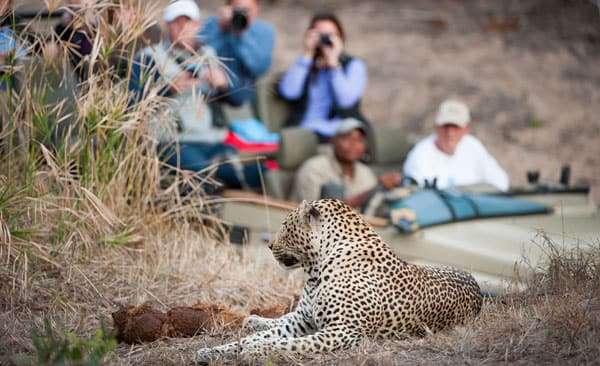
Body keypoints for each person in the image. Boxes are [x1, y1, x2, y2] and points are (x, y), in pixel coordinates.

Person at [128, 0, 264, 190]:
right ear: (167, 26)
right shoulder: (148, 57)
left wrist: (225, 84)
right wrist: (167, 89)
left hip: (212, 140)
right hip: (174, 142)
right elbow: (132, 107)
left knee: (259, 174)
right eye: (177, 22)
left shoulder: (208, 55)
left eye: (189, 22)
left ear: (198, 26)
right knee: (202, 176)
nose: (183, 28)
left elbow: (240, 100)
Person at [278, 12, 368, 143]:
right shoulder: (306, 64)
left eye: (331, 35)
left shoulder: (354, 66)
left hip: (339, 133)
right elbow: (289, 92)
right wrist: (307, 54)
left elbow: (346, 101)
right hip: (305, 131)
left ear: (341, 38)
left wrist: (334, 65)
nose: (325, 40)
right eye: (320, 35)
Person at [289, 118, 401, 209]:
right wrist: (373, 189)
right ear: (333, 141)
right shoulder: (313, 169)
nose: (353, 144)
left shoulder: (365, 172)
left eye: (359, 140)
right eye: (347, 138)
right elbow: (322, 216)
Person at [403, 99, 509, 191]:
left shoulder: (473, 146)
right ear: (436, 127)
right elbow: (419, 194)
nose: (450, 133)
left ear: (466, 129)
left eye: (456, 127)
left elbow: (500, 182)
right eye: (446, 127)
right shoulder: (421, 154)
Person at [198, 0, 274, 107]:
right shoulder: (212, 23)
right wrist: (221, 30)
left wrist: (241, 35)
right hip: (206, 93)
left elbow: (259, 69)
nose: (242, 14)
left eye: (247, 10)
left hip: (241, 99)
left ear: (257, 9)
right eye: (238, 9)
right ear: (227, 7)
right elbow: (201, 55)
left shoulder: (264, 32)